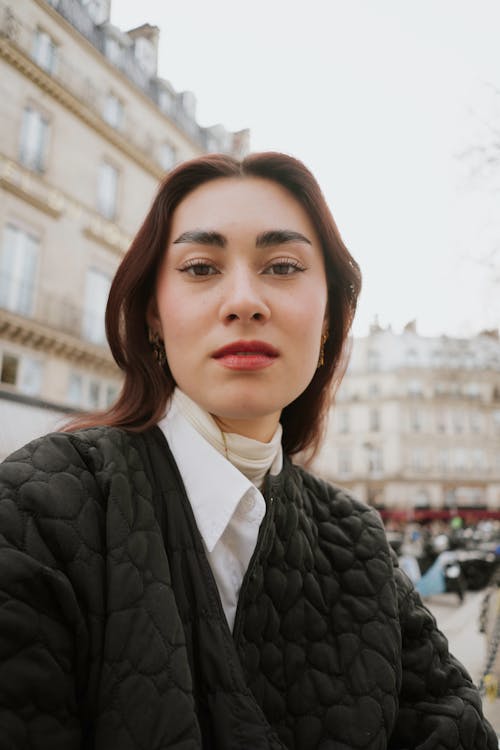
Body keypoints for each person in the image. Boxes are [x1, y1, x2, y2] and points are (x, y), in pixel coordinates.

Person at [0, 152, 496, 750]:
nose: (243, 301)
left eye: (283, 266)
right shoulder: (36, 508)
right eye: (201, 267)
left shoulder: (360, 540)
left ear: (330, 323)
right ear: (154, 315)